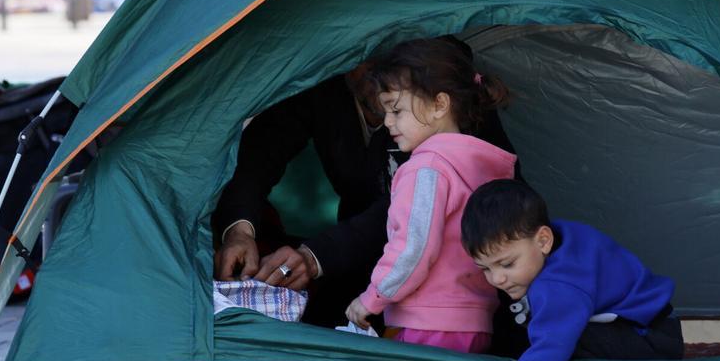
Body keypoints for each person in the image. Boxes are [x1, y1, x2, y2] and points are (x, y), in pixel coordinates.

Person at [212, 41, 519, 329]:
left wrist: (317, 256)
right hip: (361, 266)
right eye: (364, 56)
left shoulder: (449, 89)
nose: (377, 73)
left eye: (388, 56)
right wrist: (240, 230)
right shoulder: (322, 85)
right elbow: (261, 152)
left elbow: (414, 222)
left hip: (449, 295)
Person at [462, 179, 683, 361]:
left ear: (543, 240)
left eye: (508, 264)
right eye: (485, 269)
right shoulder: (559, 237)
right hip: (656, 325)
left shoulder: (558, 285)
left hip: (650, 338)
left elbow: (553, 342)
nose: (497, 279)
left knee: (560, 339)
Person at [344, 39, 517, 353]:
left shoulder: (426, 168)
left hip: (427, 324)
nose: (387, 122)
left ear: (440, 104)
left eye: (396, 109)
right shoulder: (479, 164)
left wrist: (372, 298)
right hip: (475, 322)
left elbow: (413, 247)